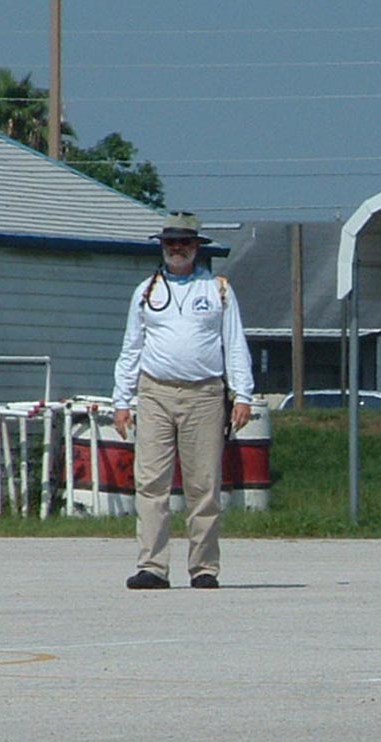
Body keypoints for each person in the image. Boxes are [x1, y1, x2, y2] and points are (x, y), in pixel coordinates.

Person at [112, 211, 255, 590]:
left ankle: (204, 568)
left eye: (185, 242)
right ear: (162, 246)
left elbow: (234, 344)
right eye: (170, 242)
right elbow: (131, 347)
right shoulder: (146, 292)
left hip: (204, 394)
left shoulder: (217, 290)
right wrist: (122, 401)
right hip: (155, 392)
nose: (177, 248)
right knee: (150, 483)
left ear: (197, 247)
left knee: (203, 484)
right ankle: (152, 566)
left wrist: (243, 394)